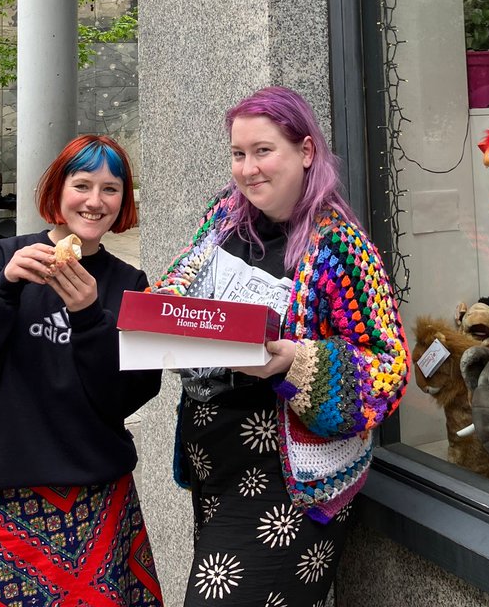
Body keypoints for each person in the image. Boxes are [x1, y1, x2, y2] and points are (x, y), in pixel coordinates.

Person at [152, 86, 409, 607]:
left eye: (264, 151)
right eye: (238, 154)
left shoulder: (340, 245)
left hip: (289, 477)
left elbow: (389, 369)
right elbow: (181, 281)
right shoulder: (224, 215)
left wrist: (297, 361)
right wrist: (161, 310)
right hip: (215, 459)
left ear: (306, 152)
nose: (248, 169)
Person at [0, 135, 163, 606]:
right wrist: (4, 289)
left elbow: (125, 399)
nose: (95, 201)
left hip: (94, 499)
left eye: (111, 188)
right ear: (57, 191)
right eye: (82, 185)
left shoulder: (128, 285)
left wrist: (90, 319)